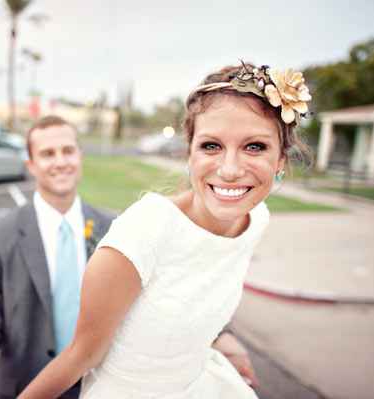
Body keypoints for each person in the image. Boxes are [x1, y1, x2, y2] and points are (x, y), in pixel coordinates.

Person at [18, 62, 311, 399]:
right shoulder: (143, 233)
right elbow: (81, 356)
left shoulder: (256, 219)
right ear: (189, 154)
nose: (230, 170)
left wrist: (221, 338)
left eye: (255, 146)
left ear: (281, 163)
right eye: (211, 146)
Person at [0, 115, 259, 399]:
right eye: (48, 154)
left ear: (80, 156)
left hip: (104, 384)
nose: (60, 162)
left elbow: (180, 287)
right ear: (31, 165)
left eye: (68, 151)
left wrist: (222, 334)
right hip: (27, 386)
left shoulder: (119, 227)